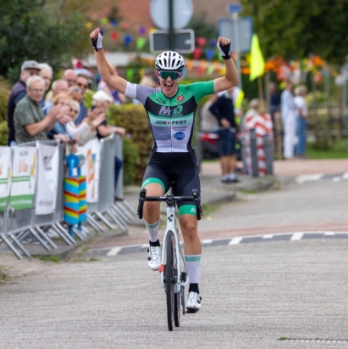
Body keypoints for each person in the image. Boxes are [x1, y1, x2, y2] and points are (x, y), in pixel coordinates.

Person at [90, 27, 239, 313]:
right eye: (164, 75)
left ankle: (194, 289)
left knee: (190, 225)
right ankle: (154, 243)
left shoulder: (192, 93)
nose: (169, 80)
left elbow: (231, 79)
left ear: (180, 75)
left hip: (185, 164)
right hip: (159, 162)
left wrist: (226, 56)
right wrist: (98, 49)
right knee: (148, 198)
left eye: (174, 75)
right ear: (158, 75)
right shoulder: (148, 95)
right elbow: (110, 78)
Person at [92, 90, 126, 195]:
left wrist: (114, 128)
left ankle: (109, 195)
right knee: (117, 163)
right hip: (95, 149)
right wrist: (116, 130)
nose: (107, 105)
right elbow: (103, 131)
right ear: (103, 102)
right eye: (107, 102)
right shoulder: (97, 112)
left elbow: (105, 126)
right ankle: (111, 195)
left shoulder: (97, 111)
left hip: (96, 148)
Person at [13, 76, 63, 144]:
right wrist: (49, 117)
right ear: (28, 91)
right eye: (36, 90)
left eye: (41, 90)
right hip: (27, 149)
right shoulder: (24, 105)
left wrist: (54, 119)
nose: (39, 93)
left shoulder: (37, 103)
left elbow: (45, 129)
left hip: (40, 148)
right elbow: (31, 131)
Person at [209, 87, 239, 183]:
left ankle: (231, 174)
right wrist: (221, 119)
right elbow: (212, 108)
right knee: (225, 153)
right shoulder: (223, 98)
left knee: (233, 153)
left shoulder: (230, 98)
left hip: (232, 129)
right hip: (225, 130)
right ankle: (225, 175)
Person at [8, 60, 41, 145]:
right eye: (31, 73)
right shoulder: (21, 92)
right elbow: (30, 125)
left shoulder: (24, 90)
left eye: (37, 73)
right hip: (20, 143)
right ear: (22, 74)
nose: (34, 76)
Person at [281, 82, 296, 159]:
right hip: (289, 116)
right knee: (289, 135)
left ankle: (289, 153)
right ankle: (288, 154)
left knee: (290, 135)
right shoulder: (286, 94)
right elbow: (292, 105)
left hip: (290, 115)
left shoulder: (288, 94)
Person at [294, 85, 308, 158]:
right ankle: (300, 153)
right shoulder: (300, 99)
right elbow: (300, 110)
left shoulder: (296, 99)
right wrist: (304, 117)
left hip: (297, 118)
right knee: (301, 136)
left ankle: (298, 152)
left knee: (299, 136)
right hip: (300, 119)